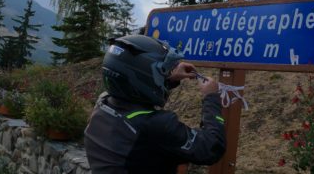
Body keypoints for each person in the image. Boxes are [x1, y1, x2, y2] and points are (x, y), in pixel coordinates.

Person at [84, 35, 226, 173]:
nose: (164, 74)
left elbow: (135, 87)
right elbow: (211, 148)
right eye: (161, 71)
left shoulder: (104, 103)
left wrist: (168, 79)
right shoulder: (155, 125)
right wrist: (211, 97)